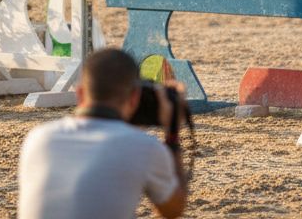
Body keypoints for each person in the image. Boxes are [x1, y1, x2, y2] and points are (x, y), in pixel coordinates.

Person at [18, 49, 187, 219]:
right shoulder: (145, 147)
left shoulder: (38, 138)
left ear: (80, 94)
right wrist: (172, 133)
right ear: (135, 97)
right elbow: (172, 210)